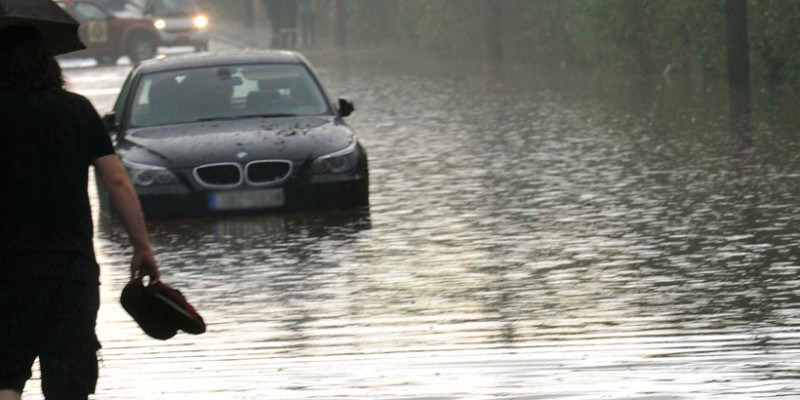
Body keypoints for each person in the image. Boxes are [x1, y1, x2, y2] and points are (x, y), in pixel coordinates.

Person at [0, 25, 160, 400]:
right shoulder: (78, 110)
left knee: (5, 376)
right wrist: (142, 247)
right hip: (71, 271)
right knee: (68, 383)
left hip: (7, 272)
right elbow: (117, 182)